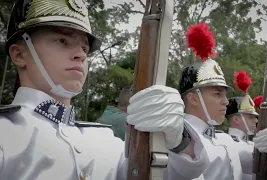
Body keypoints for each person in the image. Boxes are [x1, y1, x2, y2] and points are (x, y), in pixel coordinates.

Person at [0, 0, 209, 179]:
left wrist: (179, 140)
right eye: (62, 40)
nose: (81, 55)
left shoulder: (104, 141)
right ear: (19, 55)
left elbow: (166, 175)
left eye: (84, 48)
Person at [179, 21, 267, 179]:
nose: (225, 101)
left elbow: (258, 163)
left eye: (224, 94)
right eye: (217, 94)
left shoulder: (223, 139)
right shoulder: (176, 139)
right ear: (193, 99)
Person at [225, 72, 267, 180]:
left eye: (255, 117)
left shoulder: (251, 143)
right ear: (236, 119)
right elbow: (252, 161)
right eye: (250, 116)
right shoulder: (227, 142)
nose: (255, 120)